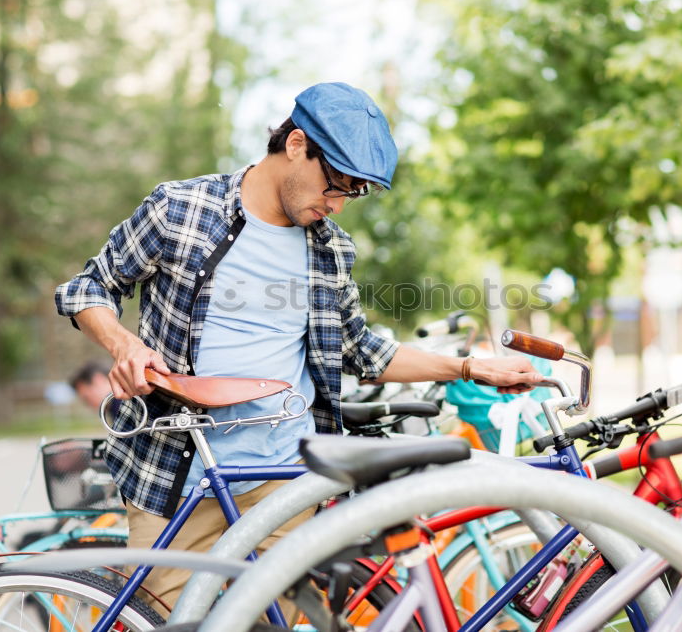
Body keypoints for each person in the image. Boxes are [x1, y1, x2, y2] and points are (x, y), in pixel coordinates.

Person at [54, 82, 543, 611]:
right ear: (295, 145)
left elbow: (362, 351)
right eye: (333, 185)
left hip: (284, 479)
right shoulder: (180, 209)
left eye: (350, 194)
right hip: (175, 474)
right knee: (162, 621)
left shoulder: (330, 249)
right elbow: (88, 287)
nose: (335, 205)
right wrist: (124, 344)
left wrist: (470, 367)